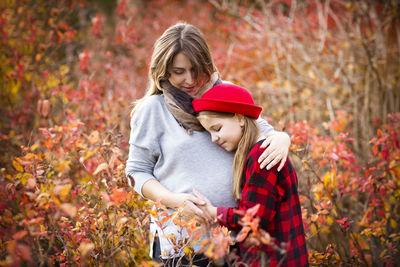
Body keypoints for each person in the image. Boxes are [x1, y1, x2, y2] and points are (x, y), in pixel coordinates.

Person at [125, 22, 291, 266]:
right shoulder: (152, 110)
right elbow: (136, 172)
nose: (190, 80)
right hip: (183, 244)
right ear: (164, 71)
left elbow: (263, 132)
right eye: (179, 71)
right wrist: (174, 200)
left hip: (236, 240)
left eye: (196, 69)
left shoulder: (227, 94)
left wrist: (283, 138)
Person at [192, 83, 308, 266]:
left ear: (239, 118)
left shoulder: (261, 155)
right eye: (209, 133)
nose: (214, 139)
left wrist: (213, 212)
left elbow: (254, 218)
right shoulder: (257, 152)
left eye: (217, 128)